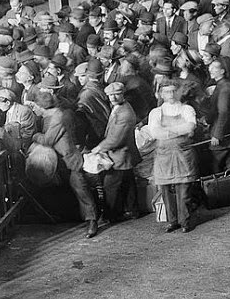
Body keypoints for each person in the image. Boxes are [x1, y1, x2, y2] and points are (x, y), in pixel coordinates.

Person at [33, 89, 100, 238]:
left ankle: (92, 220)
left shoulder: (57, 117)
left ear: (41, 106)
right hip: (60, 159)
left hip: (70, 158)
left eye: (35, 106)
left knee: (80, 187)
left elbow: (48, 140)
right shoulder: (49, 116)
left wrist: (35, 136)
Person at [145, 79, 199, 233]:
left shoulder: (187, 109)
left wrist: (166, 130)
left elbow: (191, 125)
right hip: (164, 156)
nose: (171, 94)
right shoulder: (156, 112)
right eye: (167, 91)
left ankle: (185, 221)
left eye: (174, 90)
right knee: (165, 190)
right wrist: (178, 130)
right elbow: (155, 132)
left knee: (184, 192)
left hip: (183, 154)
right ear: (161, 93)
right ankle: (172, 221)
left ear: (179, 92)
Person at [88, 82, 141, 224]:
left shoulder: (125, 113)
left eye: (116, 94)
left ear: (123, 94)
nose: (113, 97)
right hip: (124, 154)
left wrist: (99, 148)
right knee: (128, 182)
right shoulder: (119, 107)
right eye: (110, 95)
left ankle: (111, 215)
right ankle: (133, 210)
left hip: (120, 154)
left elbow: (116, 139)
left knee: (110, 185)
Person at [206, 59, 230, 175]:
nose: (210, 70)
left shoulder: (224, 88)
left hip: (224, 133)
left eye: (214, 68)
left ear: (222, 71)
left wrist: (217, 134)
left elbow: (223, 112)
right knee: (229, 165)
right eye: (210, 67)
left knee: (217, 165)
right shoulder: (224, 85)